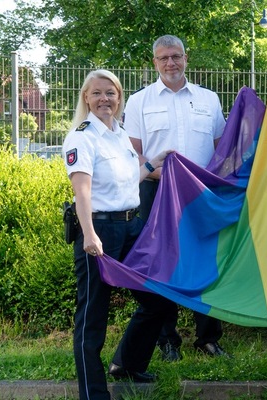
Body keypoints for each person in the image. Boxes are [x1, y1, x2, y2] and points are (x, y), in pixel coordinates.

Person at [63, 69, 176, 400]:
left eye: (110, 93)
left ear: (119, 97)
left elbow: (129, 179)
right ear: (86, 97)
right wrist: (89, 234)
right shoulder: (82, 137)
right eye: (97, 93)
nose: (104, 99)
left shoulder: (119, 133)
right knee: (93, 315)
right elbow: (81, 191)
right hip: (99, 232)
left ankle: (127, 364)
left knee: (157, 299)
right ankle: (93, 393)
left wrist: (153, 162)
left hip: (131, 227)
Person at [123, 34, 228, 361]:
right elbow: (132, 155)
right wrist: (160, 174)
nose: (171, 63)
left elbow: (223, 150)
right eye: (164, 57)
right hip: (156, 191)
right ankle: (168, 341)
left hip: (200, 195)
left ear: (186, 58)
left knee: (205, 262)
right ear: (154, 62)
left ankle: (208, 338)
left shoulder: (209, 99)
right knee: (161, 264)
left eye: (176, 56)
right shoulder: (139, 102)